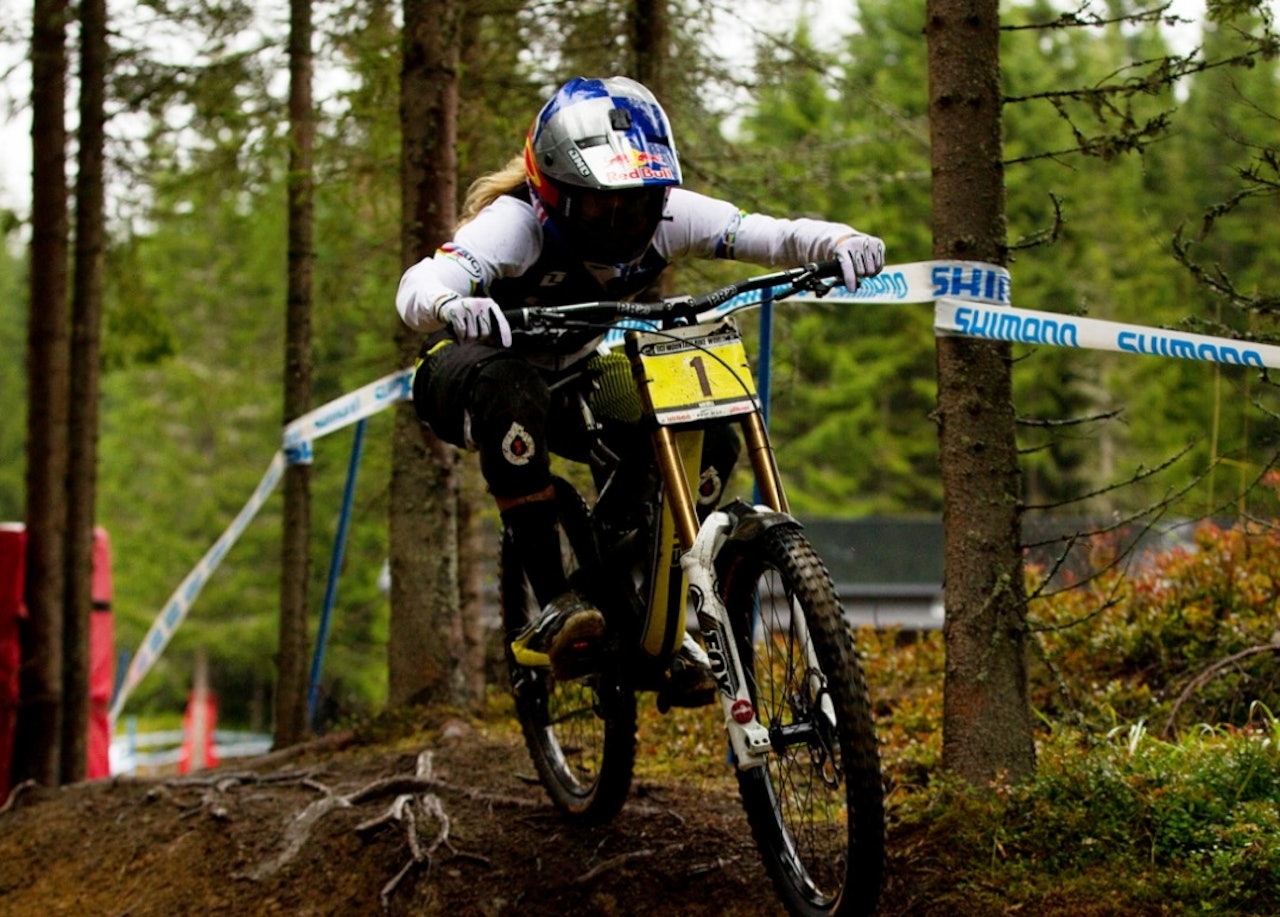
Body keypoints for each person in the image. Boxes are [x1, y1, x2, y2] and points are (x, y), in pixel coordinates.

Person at [397, 75, 885, 704]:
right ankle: (555, 603)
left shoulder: (671, 215)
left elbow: (770, 232)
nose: (622, 218)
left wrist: (839, 241)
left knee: (705, 433)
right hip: (463, 372)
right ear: (556, 194)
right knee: (511, 386)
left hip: (573, 373)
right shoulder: (516, 225)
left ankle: (638, 602)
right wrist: (448, 301)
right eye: (601, 205)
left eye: (638, 200)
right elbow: (423, 280)